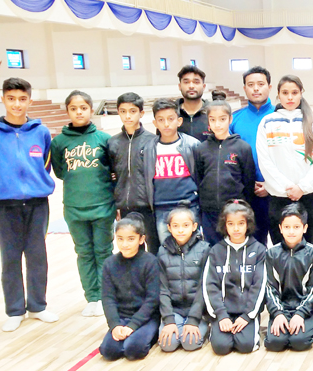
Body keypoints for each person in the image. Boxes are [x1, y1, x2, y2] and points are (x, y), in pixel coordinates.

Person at [0, 77, 58, 332]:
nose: (17, 104)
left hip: (38, 204)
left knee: (37, 257)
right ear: (3, 98)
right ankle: (15, 310)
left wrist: (35, 185)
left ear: (30, 99)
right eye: (11, 99)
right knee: (10, 258)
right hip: (4, 205)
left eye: (22, 99)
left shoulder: (40, 131)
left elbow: (46, 165)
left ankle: (38, 306)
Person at [51, 90, 114, 318]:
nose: (79, 112)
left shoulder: (104, 139)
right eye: (74, 108)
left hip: (103, 205)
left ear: (90, 110)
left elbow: (111, 171)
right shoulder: (58, 142)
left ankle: (107, 296)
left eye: (83, 107)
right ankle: (92, 297)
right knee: (84, 253)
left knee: (104, 251)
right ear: (67, 111)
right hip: (75, 208)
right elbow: (60, 172)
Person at [257, 75, 313, 246]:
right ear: (278, 94)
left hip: (309, 196)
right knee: (280, 248)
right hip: (279, 196)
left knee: (309, 246)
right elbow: (265, 161)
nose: (290, 97)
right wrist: (286, 188)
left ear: (301, 93)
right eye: (285, 92)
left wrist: (302, 187)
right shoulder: (267, 123)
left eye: (294, 92)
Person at [202, 200, 268, 355]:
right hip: (223, 312)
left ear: (248, 224)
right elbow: (209, 286)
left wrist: (247, 315)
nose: (236, 228)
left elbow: (260, 285)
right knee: (221, 347)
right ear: (224, 225)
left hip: (247, 312)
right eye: (231, 224)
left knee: (245, 346)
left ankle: (250, 327)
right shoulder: (216, 251)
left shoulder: (259, 250)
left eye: (240, 223)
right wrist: (221, 316)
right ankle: (219, 330)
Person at [194, 100, 257, 245]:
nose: (217, 124)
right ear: (208, 121)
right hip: (209, 211)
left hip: (234, 211)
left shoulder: (242, 148)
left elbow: (248, 180)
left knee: (235, 246)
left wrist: (242, 204)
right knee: (213, 248)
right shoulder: (201, 149)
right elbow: (199, 178)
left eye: (222, 119)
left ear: (230, 119)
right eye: (213, 119)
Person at [264, 203, 313, 352]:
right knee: (275, 343)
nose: (291, 232)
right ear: (280, 228)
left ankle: (309, 324)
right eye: (287, 227)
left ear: (304, 228)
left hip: (305, 308)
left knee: (299, 342)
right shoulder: (271, 254)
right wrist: (277, 313)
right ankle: (280, 321)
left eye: (296, 227)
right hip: (281, 307)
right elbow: (269, 288)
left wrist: (300, 314)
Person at [100, 213, 160, 361]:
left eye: (131, 239)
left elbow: (153, 299)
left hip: (146, 318)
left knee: (133, 351)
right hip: (122, 318)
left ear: (141, 239)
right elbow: (108, 298)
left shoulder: (150, 262)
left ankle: (151, 335)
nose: (125, 244)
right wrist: (114, 325)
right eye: (120, 239)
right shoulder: (109, 264)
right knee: (109, 352)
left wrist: (133, 326)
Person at [144, 99, 201, 246]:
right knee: (167, 251)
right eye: (161, 120)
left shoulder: (192, 144)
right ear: (155, 123)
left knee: (194, 249)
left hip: (189, 205)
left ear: (179, 121)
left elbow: (200, 175)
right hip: (162, 208)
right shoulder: (149, 148)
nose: (166, 124)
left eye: (171, 119)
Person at [109, 92, 160, 253]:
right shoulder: (113, 143)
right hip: (125, 206)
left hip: (149, 206)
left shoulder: (152, 141)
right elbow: (112, 176)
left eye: (132, 111)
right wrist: (116, 203)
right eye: (123, 111)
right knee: (131, 250)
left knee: (154, 248)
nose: (127, 116)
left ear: (141, 113)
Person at [157, 207, 211, 352]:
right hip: (175, 311)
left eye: (185, 225)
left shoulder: (205, 249)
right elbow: (163, 289)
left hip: (198, 311)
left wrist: (193, 319)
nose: (180, 230)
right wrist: (168, 320)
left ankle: (204, 328)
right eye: (175, 226)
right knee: (167, 345)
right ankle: (176, 325)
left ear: (194, 226)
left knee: (190, 343)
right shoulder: (162, 251)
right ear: (169, 228)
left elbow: (204, 287)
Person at [231, 66, 275, 246]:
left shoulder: (280, 116)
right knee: (255, 245)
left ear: (269, 87)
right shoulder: (235, 120)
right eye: (251, 85)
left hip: (278, 192)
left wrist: (271, 184)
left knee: (285, 243)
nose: (256, 88)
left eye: (260, 84)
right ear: (244, 89)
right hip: (248, 194)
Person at [176, 65, 210, 141]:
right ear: (180, 86)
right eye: (186, 82)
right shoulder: (171, 114)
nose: (191, 86)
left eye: (196, 82)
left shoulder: (213, 113)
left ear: (203, 86)